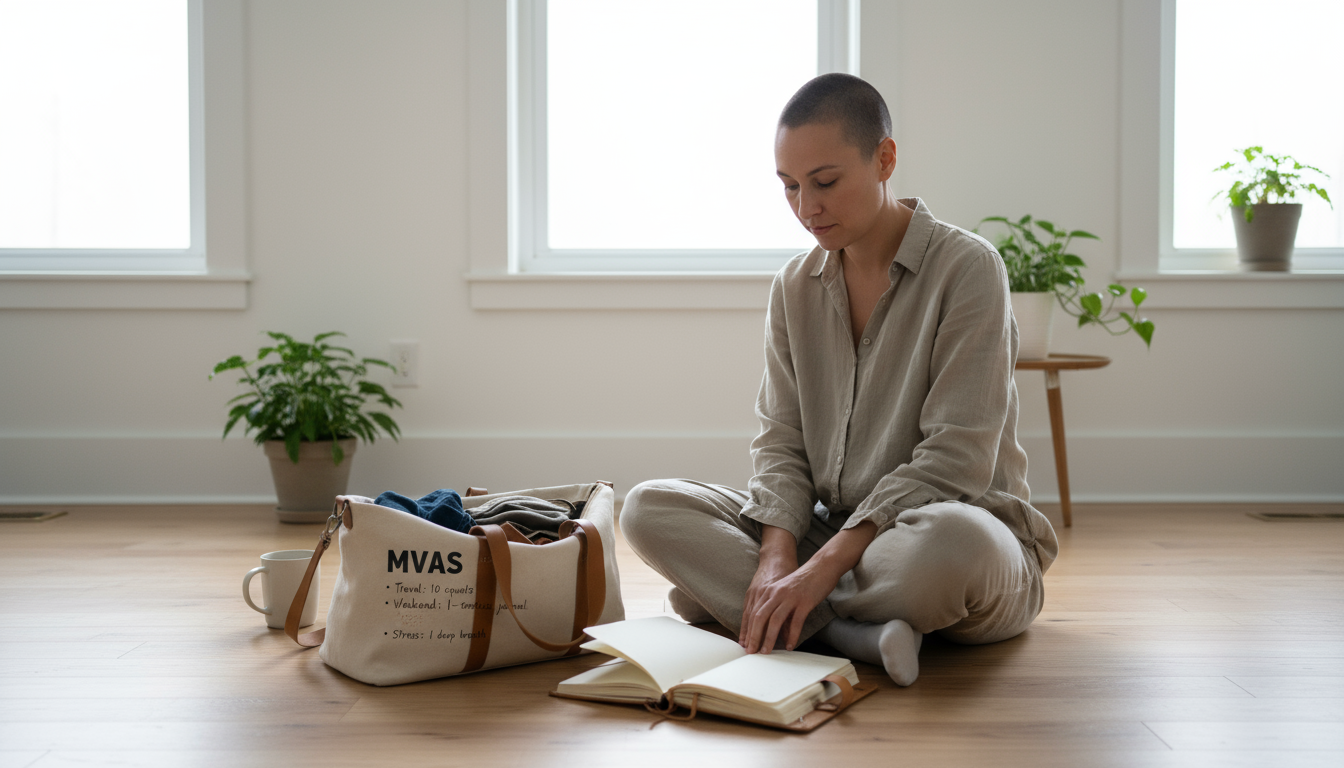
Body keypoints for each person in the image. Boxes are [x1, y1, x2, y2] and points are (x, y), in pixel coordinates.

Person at [619, 73, 1058, 686]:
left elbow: (956, 460)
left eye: (825, 182)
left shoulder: (969, 268)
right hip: (834, 528)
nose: (806, 208)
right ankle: (852, 633)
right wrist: (776, 560)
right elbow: (781, 443)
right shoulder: (793, 288)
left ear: (885, 159)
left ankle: (757, 610)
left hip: (945, 530)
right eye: (790, 186)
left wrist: (819, 569)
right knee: (648, 507)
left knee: (953, 546)